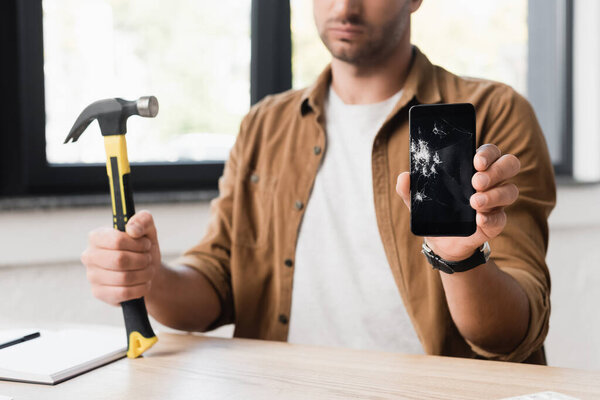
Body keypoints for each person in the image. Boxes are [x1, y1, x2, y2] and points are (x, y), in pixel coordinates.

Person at [81, 0, 555, 363]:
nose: (344, 6)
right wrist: (150, 277)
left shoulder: (494, 113)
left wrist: (462, 260)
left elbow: (514, 332)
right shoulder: (264, 124)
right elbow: (216, 286)